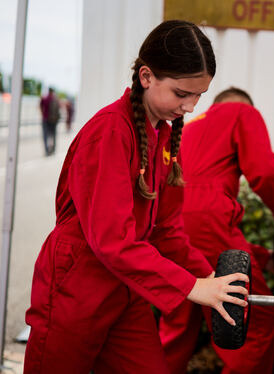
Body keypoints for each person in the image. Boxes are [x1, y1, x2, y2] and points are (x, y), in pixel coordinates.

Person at [24, 20, 250, 374]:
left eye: (199, 96)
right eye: (181, 94)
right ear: (147, 77)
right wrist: (192, 286)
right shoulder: (111, 132)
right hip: (76, 286)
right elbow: (111, 240)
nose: (190, 107)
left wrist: (211, 281)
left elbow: (166, 232)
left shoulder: (162, 136)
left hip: (123, 290)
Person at [158, 87, 274, 374]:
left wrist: (261, 257)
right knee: (255, 322)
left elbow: (197, 229)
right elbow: (266, 173)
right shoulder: (240, 111)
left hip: (169, 227)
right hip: (205, 224)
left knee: (176, 325)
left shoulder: (185, 129)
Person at [39, 87, 60, 156]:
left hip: (45, 119)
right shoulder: (56, 99)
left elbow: (40, 107)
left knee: (45, 136)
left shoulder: (45, 98)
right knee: (53, 135)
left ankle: (47, 151)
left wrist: (43, 114)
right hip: (54, 121)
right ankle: (53, 150)